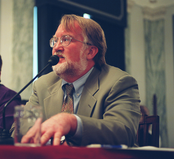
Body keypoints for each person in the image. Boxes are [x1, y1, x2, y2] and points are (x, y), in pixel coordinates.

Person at [13, 14, 141, 147]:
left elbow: (124, 133)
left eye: (66, 39)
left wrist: (73, 122)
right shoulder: (42, 85)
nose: (57, 47)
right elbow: (19, 132)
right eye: (55, 41)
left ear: (90, 52)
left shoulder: (119, 82)